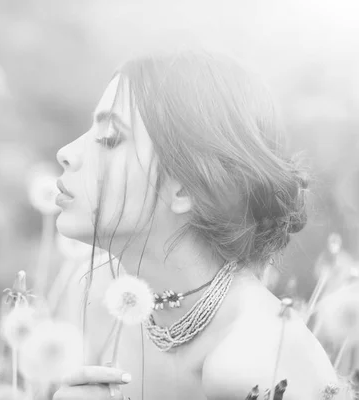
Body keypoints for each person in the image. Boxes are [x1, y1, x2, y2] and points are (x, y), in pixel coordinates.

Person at [52, 50, 346, 400]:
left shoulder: (252, 362)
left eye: (110, 138)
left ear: (188, 187)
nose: (67, 152)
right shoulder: (95, 295)